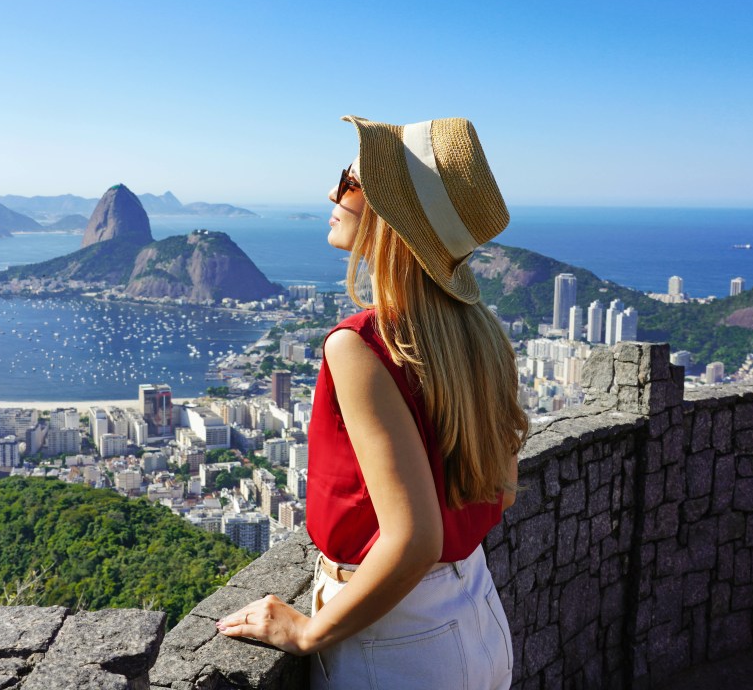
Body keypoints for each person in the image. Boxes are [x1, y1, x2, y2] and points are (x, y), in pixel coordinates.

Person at [216, 115, 528, 689]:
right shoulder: (482, 335)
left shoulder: (360, 347)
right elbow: (502, 488)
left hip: (394, 640)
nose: (332, 195)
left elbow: (414, 540)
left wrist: (309, 633)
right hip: (476, 613)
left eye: (351, 182)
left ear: (391, 214)